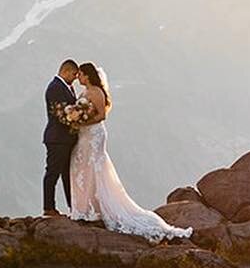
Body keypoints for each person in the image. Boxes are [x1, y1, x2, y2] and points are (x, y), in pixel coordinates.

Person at [68, 62, 190, 241]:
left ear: (87, 75)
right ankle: (85, 209)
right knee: (81, 167)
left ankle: (99, 209)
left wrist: (83, 122)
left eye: (80, 74)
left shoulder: (97, 92)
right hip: (84, 134)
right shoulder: (84, 92)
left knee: (95, 167)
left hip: (94, 134)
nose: (78, 77)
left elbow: (102, 115)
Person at [42, 58, 81, 215]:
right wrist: (77, 118)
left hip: (66, 139)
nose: (75, 79)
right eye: (73, 74)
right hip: (57, 138)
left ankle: (73, 206)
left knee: (67, 174)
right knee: (52, 173)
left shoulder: (66, 87)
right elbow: (60, 113)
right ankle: (49, 207)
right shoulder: (55, 88)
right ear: (65, 71)